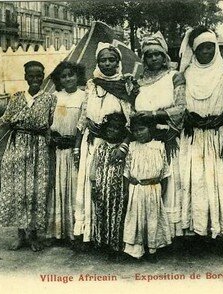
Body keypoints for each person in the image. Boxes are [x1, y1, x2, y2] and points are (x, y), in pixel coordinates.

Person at [178, 26, 223, 258]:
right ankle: (199, 234)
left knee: (222, 185)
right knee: (197, 184)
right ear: (195, 50)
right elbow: (179, 108)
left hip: (219, 139)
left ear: (215, 48)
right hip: (194, 139)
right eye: (201, 48)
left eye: (210, 47)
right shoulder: (186, 75)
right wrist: (189, 118)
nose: (206, 52)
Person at [73, 42, 138, 259]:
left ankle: (114, 240)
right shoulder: (92, 85)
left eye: (112, 59)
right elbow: (83, 117)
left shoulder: (125, 85)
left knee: (113, 194)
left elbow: (132, 121)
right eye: (103, 60)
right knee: (90, 191)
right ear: (97, 62)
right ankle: (89, 236)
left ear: (118, 62)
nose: (107, 63)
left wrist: (124, 145)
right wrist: (76, 146)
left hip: (115, 147)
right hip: (92, 145)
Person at [0, 60, 56, 252]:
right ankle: (20, 234)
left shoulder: (49, 99)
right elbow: (6, 121)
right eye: (31, 76)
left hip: (38, 147)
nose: (35, 79)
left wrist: (26, 122)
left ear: (43, 76)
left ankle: (33, 235)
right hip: (18, 146)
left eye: (39, 76)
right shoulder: (16, 98)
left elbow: (49, 123)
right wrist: (22, 122)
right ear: (25, 77)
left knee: (35, 190)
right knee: (18, 189)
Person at [134, 32, 186, 240]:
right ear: (144, 59)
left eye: (157, 54)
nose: (154, 58)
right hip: (144, 140)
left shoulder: (175, 76)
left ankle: (170, 235)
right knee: (148, 186)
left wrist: (155, 114)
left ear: (164, 55)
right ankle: (150, 234)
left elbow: (182, 108)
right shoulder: (138, 82)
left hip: (167, 135)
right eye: (149, 55)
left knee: (169, 184)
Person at [46, 61, 86, 244]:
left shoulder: (84, 96)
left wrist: (75, 142)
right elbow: (47, 123)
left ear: (77, 76)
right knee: (58, 187)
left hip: (75, 148)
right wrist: (53, 137)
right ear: (58, 79)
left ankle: (74, 233)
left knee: (74, 188)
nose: (68, 78)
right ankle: (57, 232)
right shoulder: (54, 97)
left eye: (71, 74)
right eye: (63, 76)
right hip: (57, 149)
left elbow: (84, 124)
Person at [123, 115, 172, 262]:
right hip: (136, 189)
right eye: (135, 131)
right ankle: (136, 250)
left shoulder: (159, 146)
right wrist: (127, 189)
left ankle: (152, 249)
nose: (138, 133)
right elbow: (126, 171)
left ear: (150, 129)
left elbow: (165, 173)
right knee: (136, 219)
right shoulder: (132, 147)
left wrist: (161, 191)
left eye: (142, 129)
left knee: (152, 219)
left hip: (153, 189)